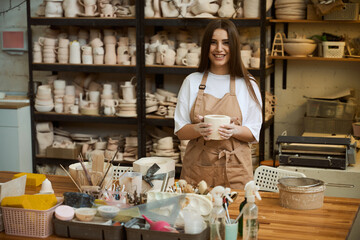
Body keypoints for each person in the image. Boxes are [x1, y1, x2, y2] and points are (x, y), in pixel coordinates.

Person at [174, 19, 262, 189]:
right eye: (213, 42)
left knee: (236, 214)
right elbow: (180, 131)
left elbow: (254, 133)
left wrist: (234, 130)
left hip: (235, 169)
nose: (219, 49)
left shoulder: (247, 83)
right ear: (206, 46)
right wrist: (197, 129)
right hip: (198, 169)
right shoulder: (192, 82)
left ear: (234, 47)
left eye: (226, 43)